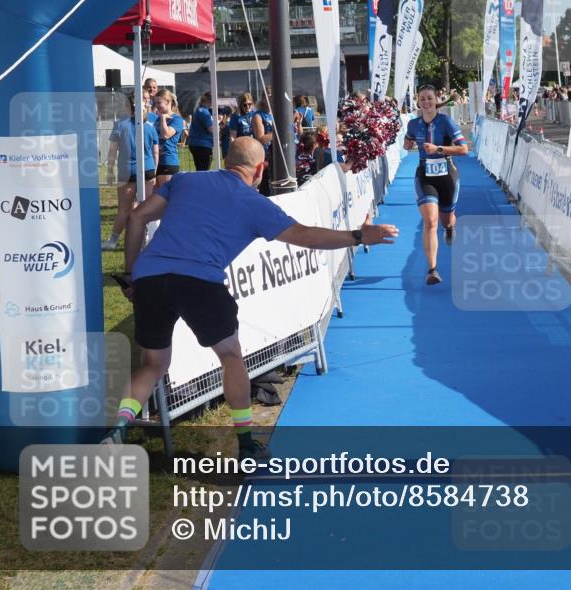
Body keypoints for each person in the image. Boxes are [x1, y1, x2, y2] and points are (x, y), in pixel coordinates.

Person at [105, 137, 398, 457]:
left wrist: (134, 274)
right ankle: (246, 444)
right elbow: (305, 236)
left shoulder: (185, 180)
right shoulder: (254, 203)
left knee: (153, 364)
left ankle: (117, 430)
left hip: (151, 277)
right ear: (260, 170)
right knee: (231, 357)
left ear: (226, 160)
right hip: (200, 282)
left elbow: (136, 218)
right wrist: (356, 235)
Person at [403, 85, 468, 285]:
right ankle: (432, 270)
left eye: (429, 98)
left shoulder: (445, 121)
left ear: (435, 100)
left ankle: (449, 228)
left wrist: (438, 148)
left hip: (447, 175)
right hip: (425, 175)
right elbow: (408, 142)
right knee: (431, 221)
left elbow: (464, 149)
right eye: (422, 99)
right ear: (418, 102)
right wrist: (408, 144)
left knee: (446, 220)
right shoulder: (414, 124)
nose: (426, 102)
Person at [103, 96, 159, 250]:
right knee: (146, 207)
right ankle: (147, 239)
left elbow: (112, 151)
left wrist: (109, 171)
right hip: (147, 171)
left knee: (123, 209)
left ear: (128, 108)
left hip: (126, 172)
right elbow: (155, 153)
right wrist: (154, 171)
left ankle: (113, 240)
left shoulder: (119, 125)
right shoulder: (150, 127)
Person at [152, 89, 185, 186]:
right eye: (155, 103)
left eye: (159, 102)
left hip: (168, 161)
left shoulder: (177, 119)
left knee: (165, 195)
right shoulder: (157, 119)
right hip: (155, 161)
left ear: (168, 102)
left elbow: (165, 135)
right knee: (155, 196)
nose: (157, 105)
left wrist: (163, 119)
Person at [188, 91, 216, 171]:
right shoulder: (204, 112)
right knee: (204, 171)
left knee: (199, 169)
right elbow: (211, 130)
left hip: (195, 143)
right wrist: (219, 127)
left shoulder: (198, 110)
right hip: (203, 145)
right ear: (210, 100)